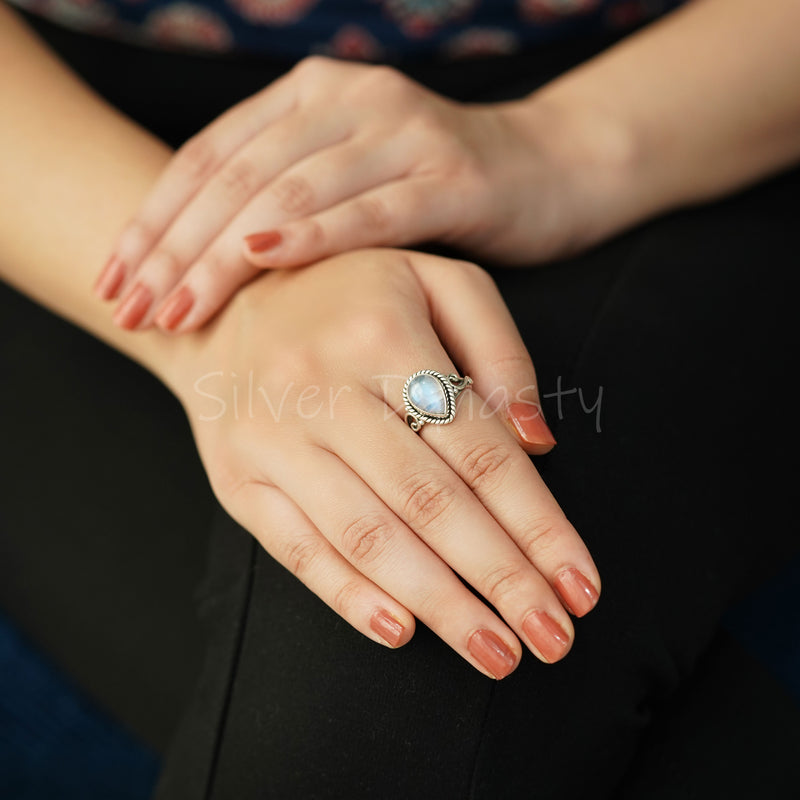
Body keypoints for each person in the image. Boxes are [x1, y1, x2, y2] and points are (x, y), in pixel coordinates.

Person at [0, 1, 798, 797]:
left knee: (449, 656)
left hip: (673, 100)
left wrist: (557, 143)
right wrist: (226, 315)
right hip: (57, 155)